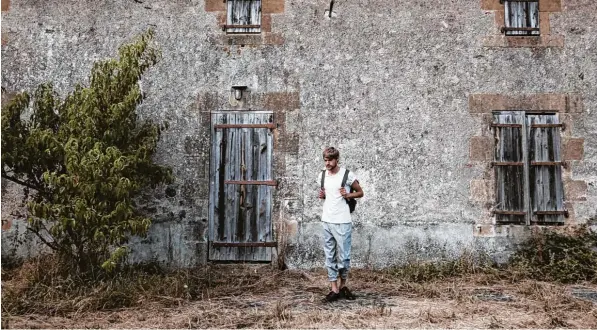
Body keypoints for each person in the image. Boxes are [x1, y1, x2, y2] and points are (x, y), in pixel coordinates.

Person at [317, 147, 364, 302]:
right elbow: (327, 195)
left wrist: (348, 194)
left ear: (337, 159)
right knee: (329, 256)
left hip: (343, 221)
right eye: (325, 160)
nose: (327, 163)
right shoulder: (322, 175)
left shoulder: (347, 175)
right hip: (327, 220)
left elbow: (360, 192)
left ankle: (343, 286)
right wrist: (323, 196)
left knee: (344, 258)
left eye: (330, 160)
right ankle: (334, 289)